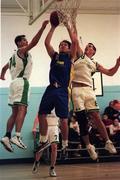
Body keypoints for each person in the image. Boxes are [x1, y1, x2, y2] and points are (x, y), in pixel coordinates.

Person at [71, 22, 120, 159]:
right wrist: (73, 24)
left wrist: (117, 64)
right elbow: (74, 38)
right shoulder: (80, 55)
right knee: (82, 120)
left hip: (89, 90)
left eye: (91, 47)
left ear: (93, 51)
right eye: (87, 45)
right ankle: (89, 146)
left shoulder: (95, 63)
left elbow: (110, 73)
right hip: (76, 90)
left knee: (97, 117)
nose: (88, 47)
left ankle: (108, 142)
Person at [0, 20, 49, 152]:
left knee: (15, 112)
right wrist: (43, 28)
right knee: (23, 110)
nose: (26, 42)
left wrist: (2, 75)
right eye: (24, 40)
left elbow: (4, 68)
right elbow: (35, 42)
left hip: (13, 83)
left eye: (26, 41)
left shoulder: (12, 57)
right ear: (19, 43)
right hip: (22, 82)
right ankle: (17, 136)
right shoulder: (22, 51)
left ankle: (7, 135)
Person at [36, 19, 77, 153]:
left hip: (62, 90)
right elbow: (47, 43)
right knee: (42, 113)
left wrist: (67, 26)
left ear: (69, 48)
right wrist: (52, 27)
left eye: (65, 44)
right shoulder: (55, 56)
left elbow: (75, 42)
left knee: (64, 119)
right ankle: (42, 140)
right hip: (51, 88)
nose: (62, 46)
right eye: (61, 44)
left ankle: (65, 144)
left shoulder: (70, 57)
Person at [32, 112, 59, 177]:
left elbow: (62, 116)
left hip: (54, 127)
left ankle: (52, 168)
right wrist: (34, 127)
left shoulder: (58, 103)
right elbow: (38, 115)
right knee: (42, 146)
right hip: (44, 126)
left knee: (54, 147)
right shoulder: (44, 102)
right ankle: (36, 162)